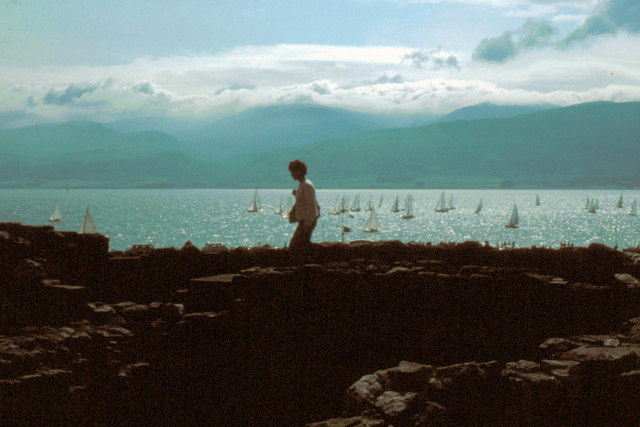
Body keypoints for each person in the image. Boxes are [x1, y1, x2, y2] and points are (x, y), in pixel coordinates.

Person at [288, 159, 319, 253]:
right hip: (304, 221)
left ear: (299, 171)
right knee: (301, 246)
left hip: (306, 221)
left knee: (295, 246)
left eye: (293, 171)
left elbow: (312, 206)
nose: (291, 174)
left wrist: (308, 224)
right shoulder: (302, 184)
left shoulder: (306, 185)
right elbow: (304, 201)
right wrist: (296, 194)